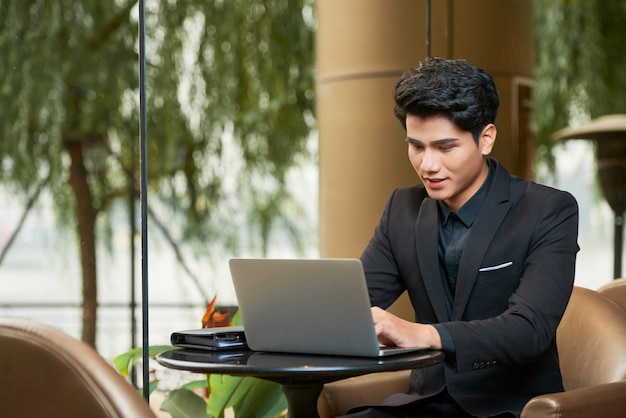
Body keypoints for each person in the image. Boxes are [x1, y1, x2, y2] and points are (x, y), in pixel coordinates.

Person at [344, 58, 580, 417]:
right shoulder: (401, 209)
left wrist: (425, 335)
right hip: (425, 403)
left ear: (485, 138)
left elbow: (529, 330)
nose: (427, 164)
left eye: (445, 147)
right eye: (416, 146)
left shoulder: (548, 210)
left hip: (511, 408)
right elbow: (351, 304)